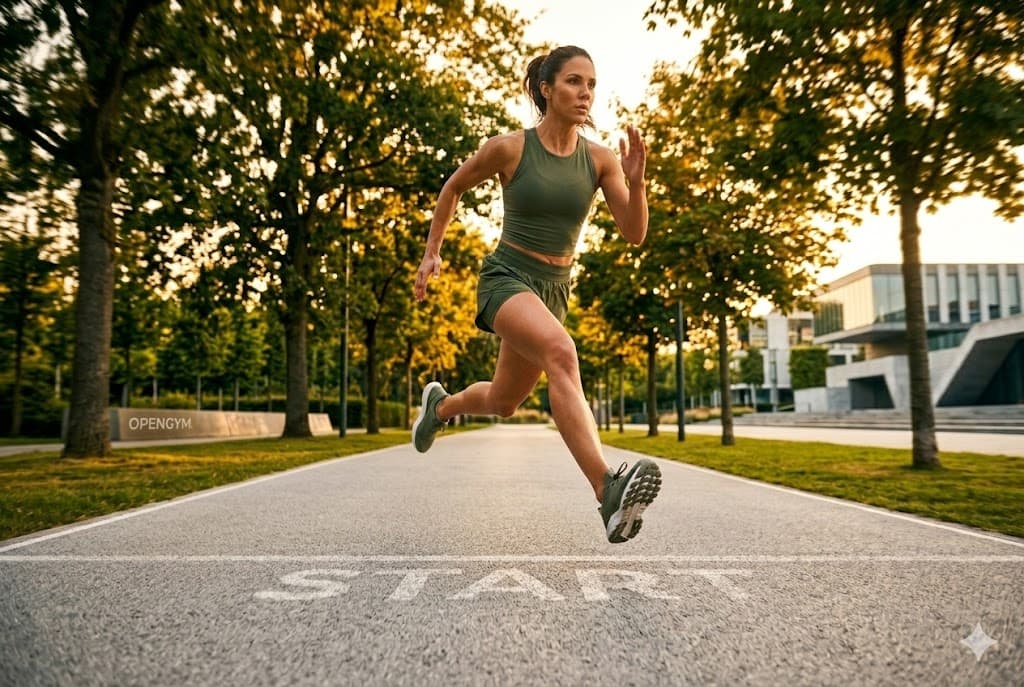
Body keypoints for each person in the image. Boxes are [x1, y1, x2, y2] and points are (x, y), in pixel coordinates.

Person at [412, 45, 661, 544]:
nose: (584, 92)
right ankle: (606, 490)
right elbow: (453, 187)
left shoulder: (600, 160)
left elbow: (634, 233)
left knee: (504, 401)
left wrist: (637, 186)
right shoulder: (510, 149)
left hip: (554, 290)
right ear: (546, 90)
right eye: (573, 81)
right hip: (506, 276)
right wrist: (432, 251)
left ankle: (439, 407)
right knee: (561, 352)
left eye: (590, 83)